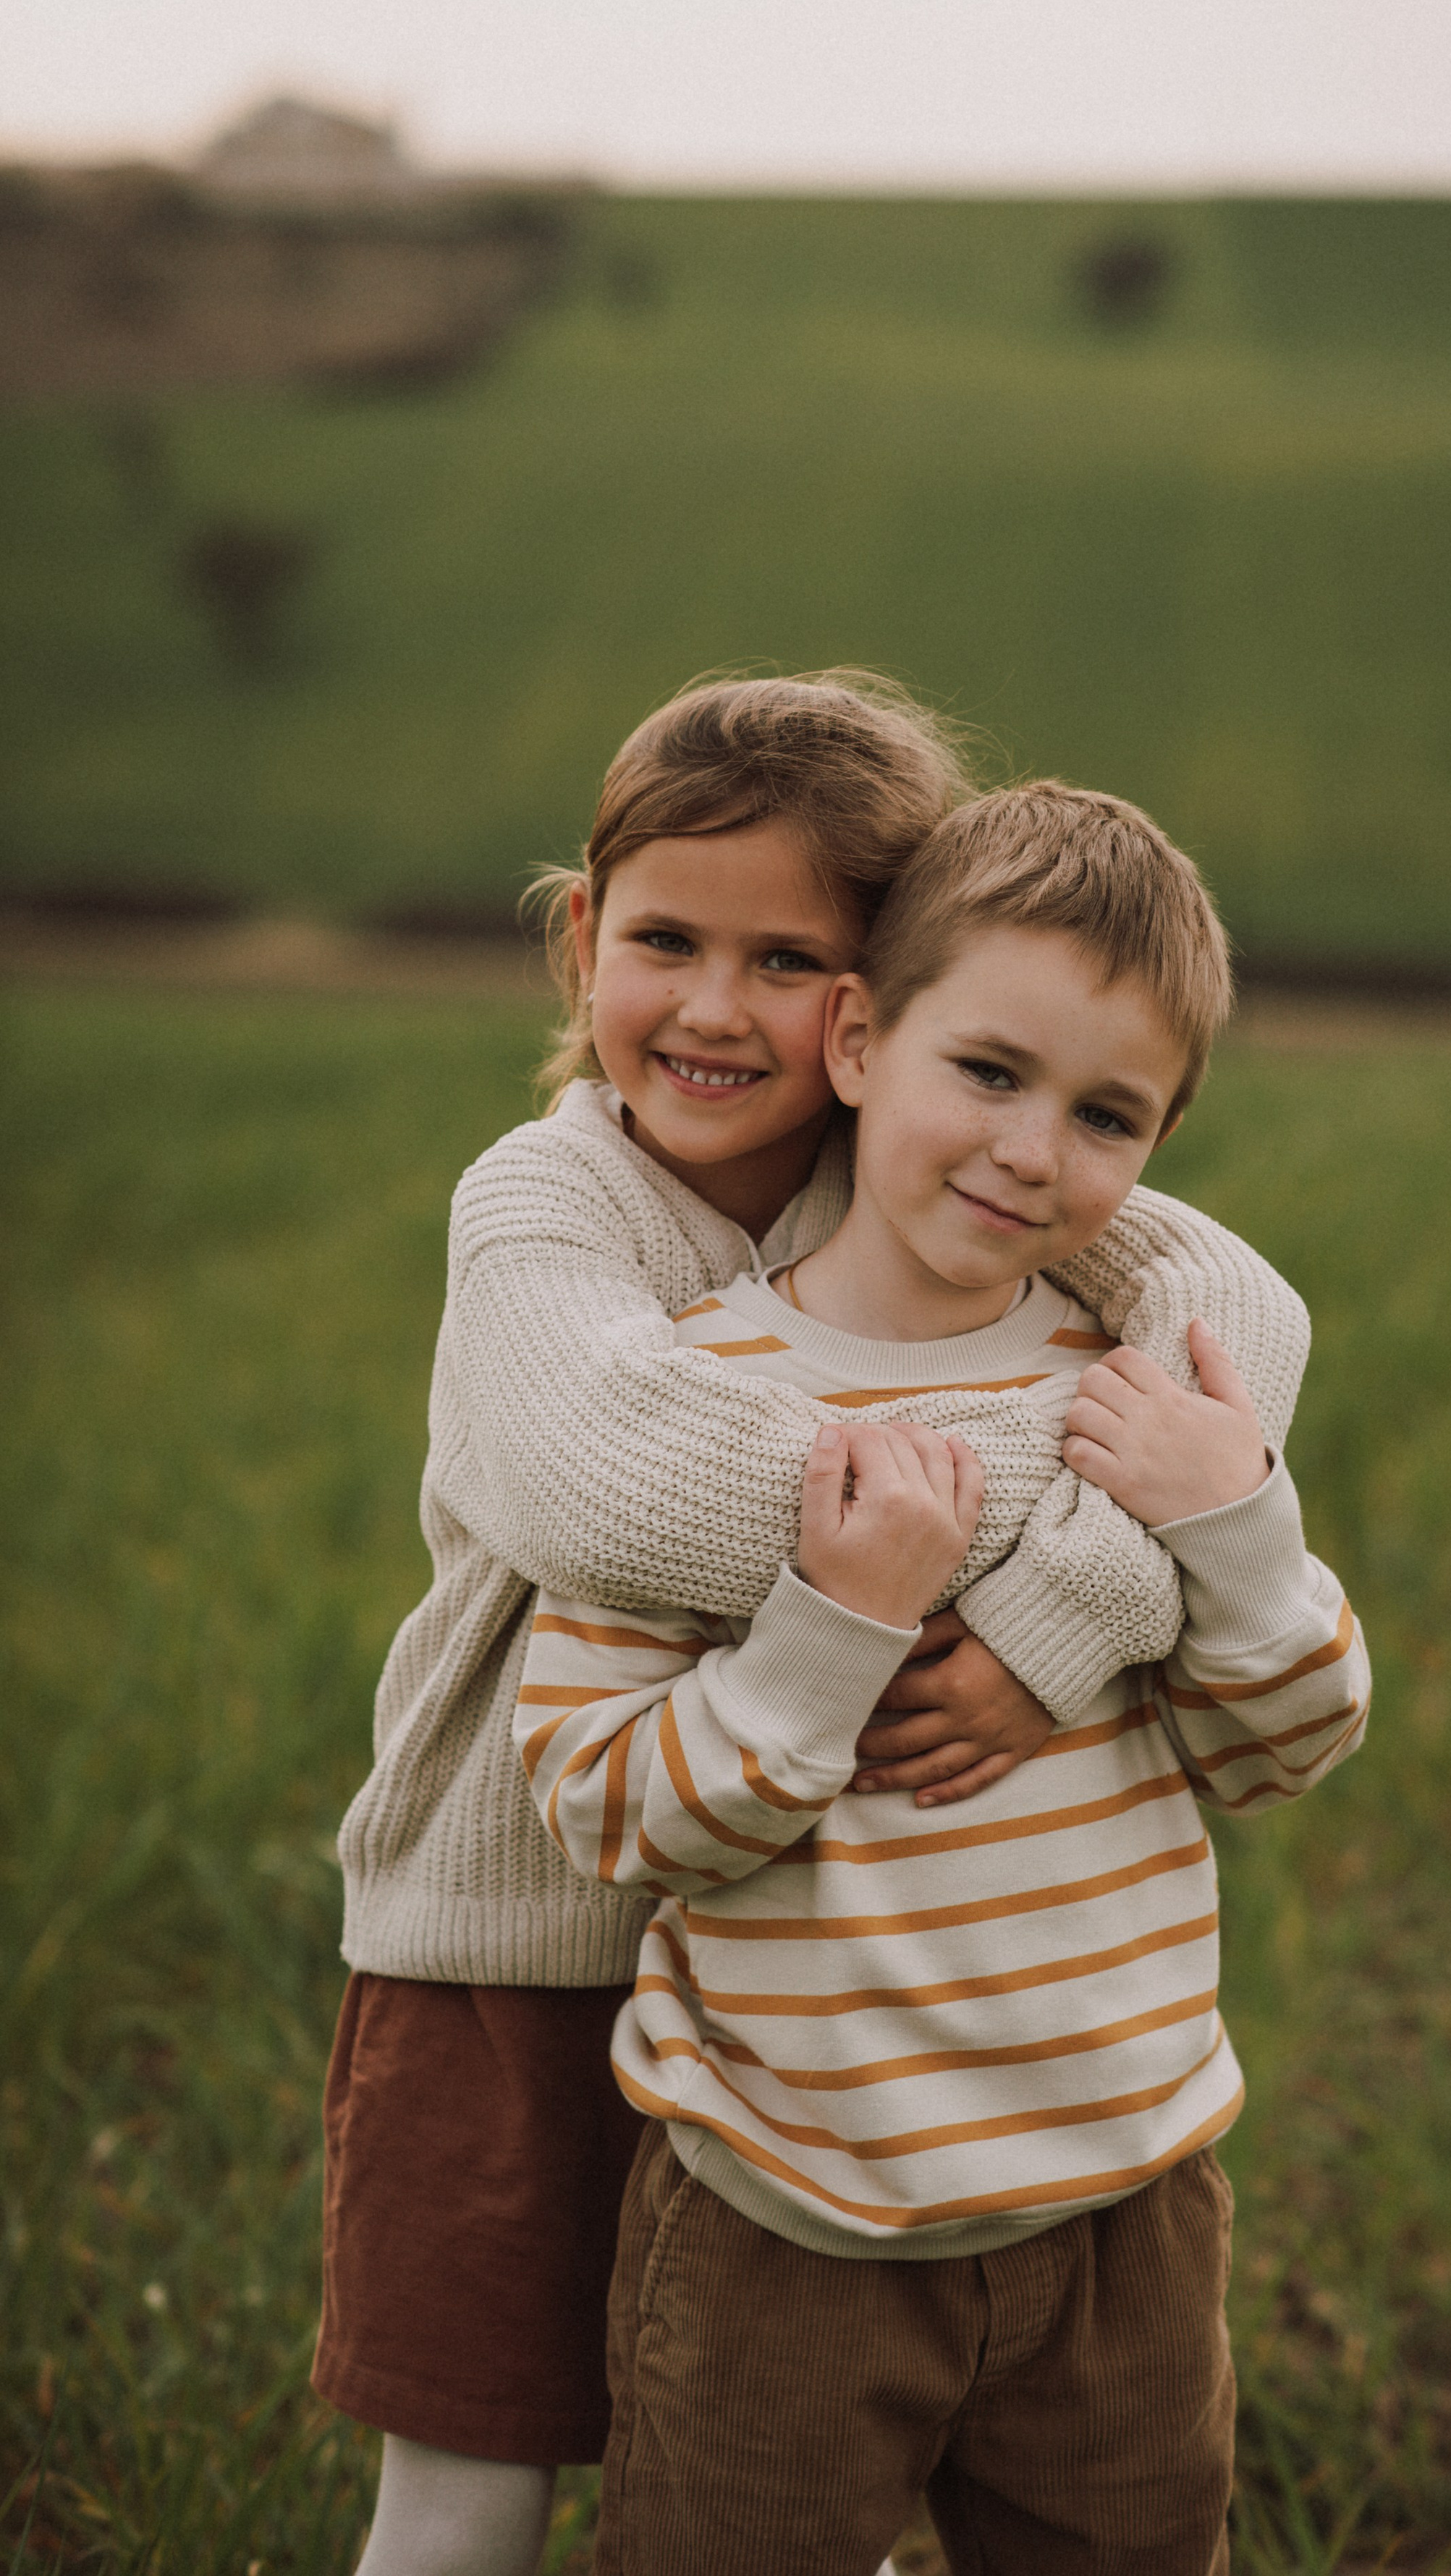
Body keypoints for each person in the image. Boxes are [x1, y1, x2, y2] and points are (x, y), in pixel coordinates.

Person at [318, 678, 1319, 2576]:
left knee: (774, 2469)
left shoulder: (956, 1179)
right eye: (664, 942)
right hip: (522, 1932)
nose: (712, 1008)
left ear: (874, 1011)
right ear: (580, 942)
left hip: (813, 1978)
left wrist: (1074, 1602)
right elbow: (633, 1494)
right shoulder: (548, 1203)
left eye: (784, 959)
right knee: (470, 2495)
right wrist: (1092, 1517)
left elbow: (1246, 1326)